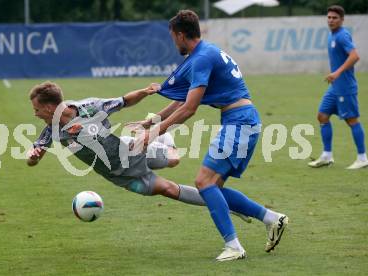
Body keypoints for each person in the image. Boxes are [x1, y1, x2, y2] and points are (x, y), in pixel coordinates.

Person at [131, 10, 288, 261]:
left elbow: (189, 109)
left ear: (181, 35)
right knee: (212, 187)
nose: (174, 43)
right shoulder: (206, 52)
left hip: (239, 122)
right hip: (240, 120)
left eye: (174, 38)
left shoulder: (202, 58)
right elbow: (184, 99)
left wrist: (153, 134)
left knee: (204, 183)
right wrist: (153, 121)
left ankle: (234, 247)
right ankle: (272, 219)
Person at [26, 81, 252, 224]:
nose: (35, 114)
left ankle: (159, 131)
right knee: (169, 190)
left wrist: (145, 91)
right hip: (121, 175)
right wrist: (33, 157)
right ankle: (228, 206)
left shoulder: (90, 107)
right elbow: (35, 153)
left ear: (48, 107)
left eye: (36, 109)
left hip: (130, 149)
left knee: (174, 159)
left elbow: (124, 101)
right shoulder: (51, 131)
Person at [308, 5, 367, 169]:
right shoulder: (331, 35)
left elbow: (355, 56)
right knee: (322, 116)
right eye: (329, 17)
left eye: (334, 18)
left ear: (342, 20)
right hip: (335, 87)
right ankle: (327, 156)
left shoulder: (342, 36)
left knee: (351, 120)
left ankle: (362, 158)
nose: (331, 20)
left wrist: (337, 73)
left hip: (345, 87)